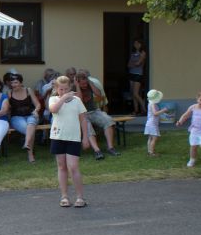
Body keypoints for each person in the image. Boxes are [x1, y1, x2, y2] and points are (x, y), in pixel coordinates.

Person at [48, 75, 90, 208]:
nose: (64, 92)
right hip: (58, 136)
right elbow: (53, 110)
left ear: (70, 87)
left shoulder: (77, 100)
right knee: (61, 166)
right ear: (56, 89)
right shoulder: (53, 99)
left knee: (73, 167)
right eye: (61, 89)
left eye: (66, 89)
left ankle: (80, 197)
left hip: (73, 138)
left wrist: (85, 137)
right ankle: (64, 196)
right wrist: (63, 98)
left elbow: (83, 119)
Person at [74, 72, 120, 159]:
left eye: (86, 83)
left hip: (94, 111)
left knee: (108, 120)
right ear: (77, 82)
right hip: (82, 114)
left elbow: (99, 94)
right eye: (82, 84)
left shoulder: (89, 85)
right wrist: (77, 86)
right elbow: (79, 100)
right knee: (87, 127)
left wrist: (90, 83)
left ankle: (110, 148)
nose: (85, 85)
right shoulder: (74, 87)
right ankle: (97, 151)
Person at [7, 73, 43, 163]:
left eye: (16, 82)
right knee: (29, 129)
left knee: (31, 123)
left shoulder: (28, 90)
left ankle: (27, 145)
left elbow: (38, 104)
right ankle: (30, 154)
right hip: (16, 117)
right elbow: (7, 108)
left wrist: (36, 111)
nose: (13, 85)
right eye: (12, 83)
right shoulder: (9, 93)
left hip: (31, 114)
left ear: (21, 83)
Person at [128, 39, 147, 115]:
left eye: (138, 43)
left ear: (141, 44)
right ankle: (136, 110)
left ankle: (144, 109)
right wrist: (134, 63)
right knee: (133, 94)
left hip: (138, 74)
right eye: (135, 43)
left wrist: (134, 63)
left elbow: (138, 63)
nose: (136, 45)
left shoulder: (143, 53)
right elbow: (129, 64)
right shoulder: (133, 53)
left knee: (136, 93)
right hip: (131, 73)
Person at [144, 89, 164, 156]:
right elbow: (155, 113)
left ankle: (149, 151)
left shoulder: (150, 103)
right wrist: (163, 110)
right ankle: (152, 153)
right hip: (152, 124)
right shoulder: (153, 104)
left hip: (149, 123)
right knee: (154, 138)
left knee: (150, 138)